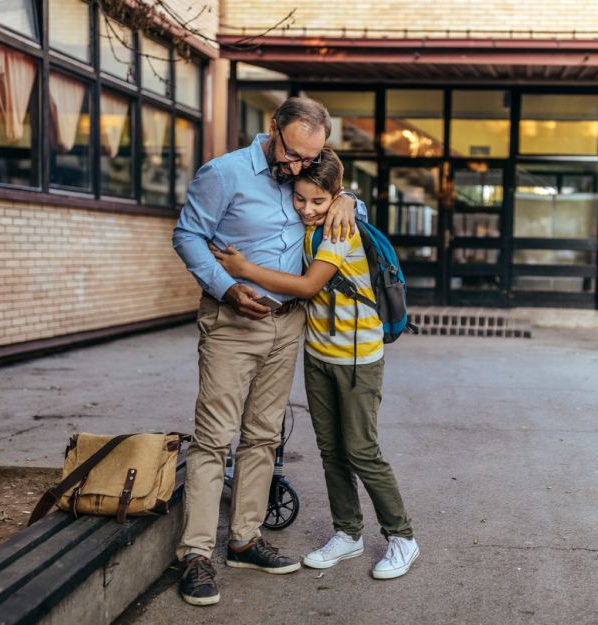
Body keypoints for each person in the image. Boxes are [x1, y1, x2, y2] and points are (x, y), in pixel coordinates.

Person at [171, 97, 365, 606]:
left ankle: (244, 539)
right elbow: (187, 235)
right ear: (272, 128)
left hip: (288, 324)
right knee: (214, 440)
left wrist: (350, 201)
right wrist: (225, 287)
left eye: (310, 158)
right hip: (233, 320)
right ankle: (194, 555)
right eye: (294, 155)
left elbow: (333, 198)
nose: (299, 167)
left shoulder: (309, 171)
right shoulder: (225, 173)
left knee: (262, 437)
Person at [212, 147, 419, 580]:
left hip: (358, 358)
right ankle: (348, 532)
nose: (307, 209)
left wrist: (243, 268)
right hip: (320, 354)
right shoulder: (309, 224)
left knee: (362, 450)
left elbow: (307, 286)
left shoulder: (341, 230)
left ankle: (403, 537)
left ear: (335, 198)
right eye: (300, 199)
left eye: (318, 201)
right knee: (330, 451)